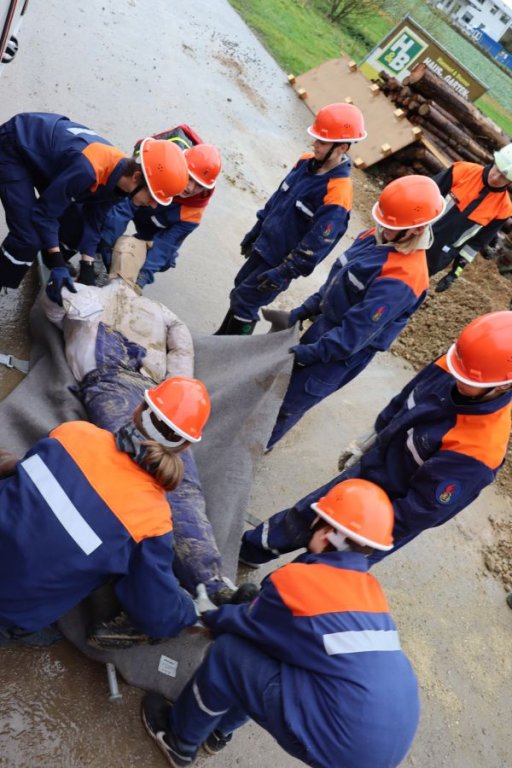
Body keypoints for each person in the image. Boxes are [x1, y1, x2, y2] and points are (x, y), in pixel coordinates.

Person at [141, 479, 420, 768]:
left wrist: (207, 613)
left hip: (346, 744)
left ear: (326, 533)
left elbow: (246, 623)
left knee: (228, 655)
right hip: (387, 734)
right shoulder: (371, 592)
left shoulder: (299, 582)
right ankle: (218, 732)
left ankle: (179, 742)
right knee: (273, 656)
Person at [42, 243, 253, 608]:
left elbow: (181, 346)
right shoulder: (97, 296)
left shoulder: (149, 308)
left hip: (142, 389)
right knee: (172, 480)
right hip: (128, 382)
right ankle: (207, 582)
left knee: (179, 484)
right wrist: (57, 292)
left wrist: (176, 391)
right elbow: (63, 314)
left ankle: (210, 581)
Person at [241, 311, 512, 569]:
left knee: (325, 566)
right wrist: (371, 438)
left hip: (386, 514)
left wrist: (357, 530)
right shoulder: (454, 366)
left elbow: (421, 511)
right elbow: (406, 399)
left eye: (465, 377)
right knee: (307, 515)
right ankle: (250, 550)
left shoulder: (479, 448)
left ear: (502, 386)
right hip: (373, 468)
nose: (455, 376)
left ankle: (270, 605)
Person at [0, 377, 210, 648]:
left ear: (137, 410)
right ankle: (14, 631)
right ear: (185, 448)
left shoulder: (73, 433)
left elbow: (27, 475)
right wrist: (191, 610)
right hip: (10, 610)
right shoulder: (153, 520)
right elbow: (157, 612)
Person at [266, 174, 445, 449]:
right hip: (325, 328)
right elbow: (336, 285)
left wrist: (305, 354)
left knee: (290, 402)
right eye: (381, 221)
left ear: (415, 230)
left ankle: (261, 445)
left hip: (341, 356)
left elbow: (350, 338)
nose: (380, 228)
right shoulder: (374, 237)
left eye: (388, 226)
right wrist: (303, 311)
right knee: (276, 388)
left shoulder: (403, 280)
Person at [0, 112, 189, 301]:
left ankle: (49, 254)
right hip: (16, 146)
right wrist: (58, 263)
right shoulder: (89, 170)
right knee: (28, 238)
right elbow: (44, 213)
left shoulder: (120, 182)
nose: (153, 205)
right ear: (137, 178)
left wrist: (87, 264)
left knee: (77, 226)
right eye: (153, 195)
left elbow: (94, 218)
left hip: (51, 157)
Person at [215, 103, 366, 335]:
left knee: (246, 301)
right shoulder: (304, 162)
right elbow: (278, 199)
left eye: (322, 141)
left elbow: (316, 246)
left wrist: (284, 272)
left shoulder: (337, 193)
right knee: (239, 290)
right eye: (316, 138)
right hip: (264, 246)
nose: (315, 144)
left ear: (341, 148)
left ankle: (229, 353)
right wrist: (256, 230)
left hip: (280, 263)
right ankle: (221, 339)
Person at [98, 128, 221, 289]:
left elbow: (166, 245)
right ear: (181, 166)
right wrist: (102, 251)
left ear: (207, 188)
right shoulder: (161, 172)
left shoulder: (194, 211)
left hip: (155, 224)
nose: (190, 188)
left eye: (199, 185)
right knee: (101, 216)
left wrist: (142, 277)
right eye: (189, 178)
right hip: (138, 203)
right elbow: (122, 211)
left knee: (163, 260)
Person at [428, 143, 512, 293]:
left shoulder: (503, 209)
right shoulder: (462, 171)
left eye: (503, 177)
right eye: (497, 169)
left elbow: (475, 244)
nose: (496, 177)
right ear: (495, 160)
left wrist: (454, 273)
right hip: (414, 235)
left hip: (438, 256)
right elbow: (424, 194)